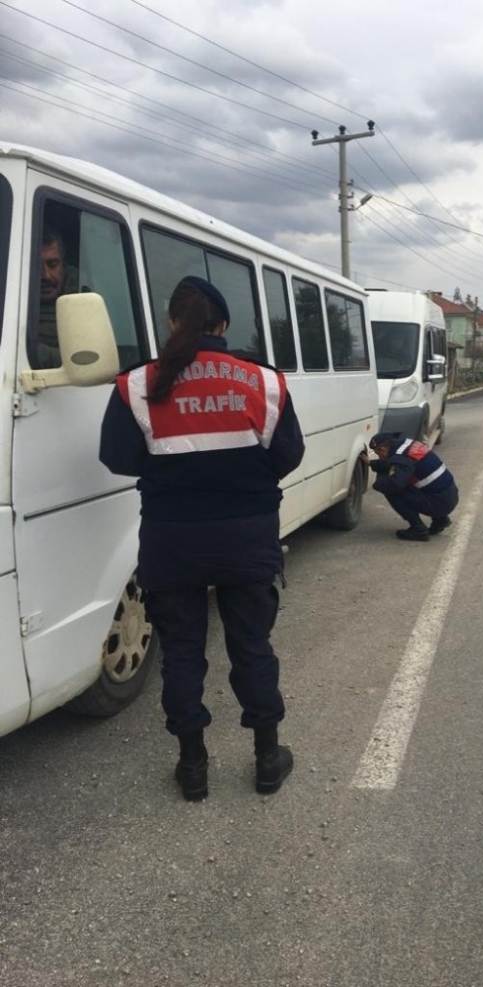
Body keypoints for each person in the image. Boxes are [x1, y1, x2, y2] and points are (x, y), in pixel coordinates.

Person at [99, 275, 305, 802]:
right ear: (224, 325)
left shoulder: (138, 385)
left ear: (172, 323)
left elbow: (119, 459)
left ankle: (193, 768)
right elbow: (288, 456)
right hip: (247, 540)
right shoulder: (264, 382)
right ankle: (266, 760)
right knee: (252, 647)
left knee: (184, 653)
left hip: (173, 544)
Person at [363, 431, 459, 542]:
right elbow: (393, 463)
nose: (380, 457)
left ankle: (418, 530)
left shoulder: (401, 458)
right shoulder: (407, 445)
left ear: (383, 450)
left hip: (440, 502)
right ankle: (440, 520)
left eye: (378, 455)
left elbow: (396, 484)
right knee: (421, 482)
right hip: (450, 495)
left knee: (392, 489)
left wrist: (376, 484)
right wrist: (372, 463)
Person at [35, 227, 79, 368]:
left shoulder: (85, 296)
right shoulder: (9, 301)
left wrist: (32, 351)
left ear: (63, 264)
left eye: (53, 264)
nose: (45, 275)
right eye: (36, 266)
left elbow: (87, 362)